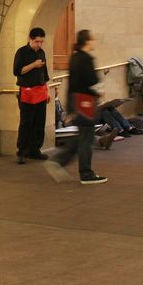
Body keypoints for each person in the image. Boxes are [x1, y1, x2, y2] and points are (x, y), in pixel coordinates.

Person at [44, 29, 108, 185]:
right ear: (87, 41)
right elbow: (92, 81)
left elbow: (72, 84)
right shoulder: (86, 58)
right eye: (93, 39)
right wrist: (100, 93)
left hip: (76, 100)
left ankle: (58, 161)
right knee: (86, 137)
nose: (94, 42)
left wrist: (70, 105)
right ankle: (86, 173)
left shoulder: (75, 57)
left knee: (82, 135)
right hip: (85, 101)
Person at [12, 27, 51, 164]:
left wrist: (47, 91)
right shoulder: (22, 52)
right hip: (27, 91)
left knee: (39, 123)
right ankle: (22, 152)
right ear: (30, 39)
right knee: (26, 123)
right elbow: (17, 71)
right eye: (37, 42)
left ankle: (35, 150)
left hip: (40, 91)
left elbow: (45, 74)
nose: (39, 44)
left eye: (41, 42)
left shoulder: (42, 53)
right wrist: (34, 65)